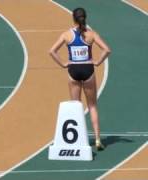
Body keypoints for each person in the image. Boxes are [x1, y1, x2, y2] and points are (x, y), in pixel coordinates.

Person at [49, 7, 111, 151]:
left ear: (73, 18)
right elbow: (107, 49)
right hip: (88, 69)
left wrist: (63, 63)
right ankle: (97, 140)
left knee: (76, 107)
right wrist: (98, 62)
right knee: (93, 106)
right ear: (85, 18)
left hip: (73, 70)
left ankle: (78, 141)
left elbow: (51, 51)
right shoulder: (91, 35)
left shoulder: (66, 35)